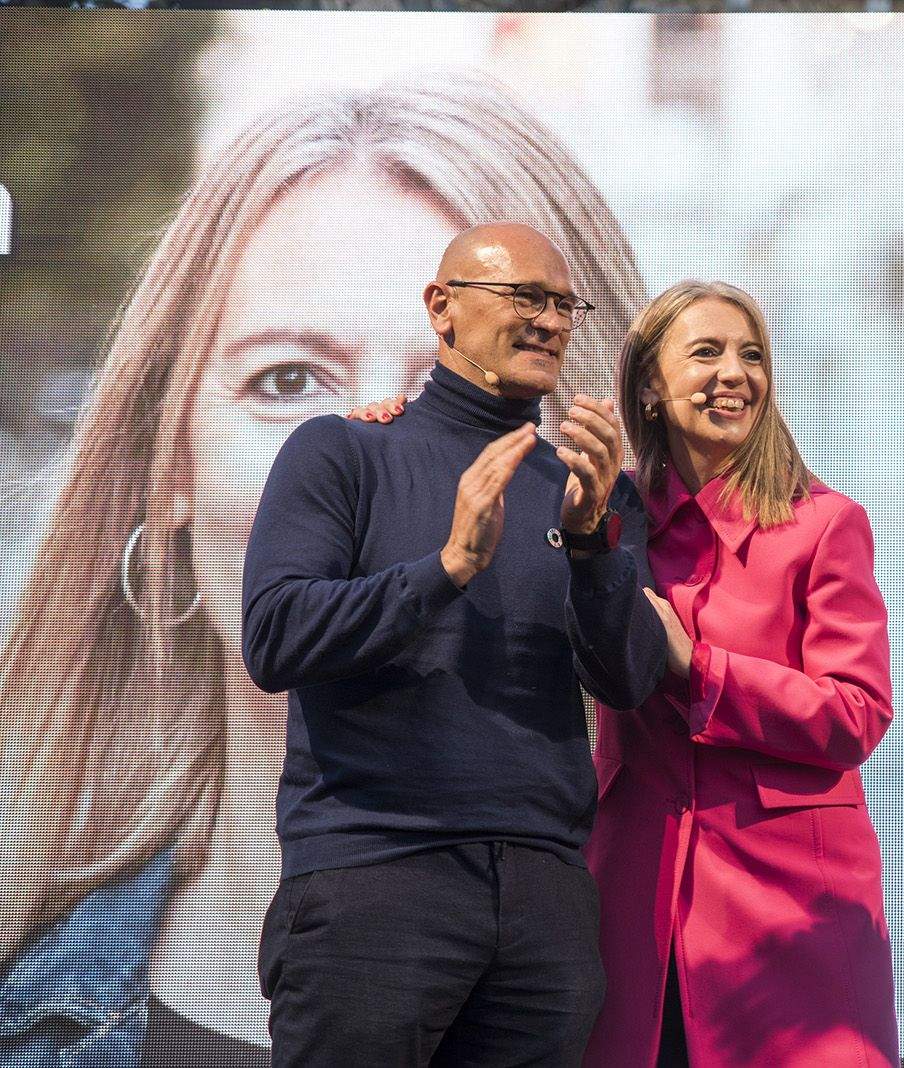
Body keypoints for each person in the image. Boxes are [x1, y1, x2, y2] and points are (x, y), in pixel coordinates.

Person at [0, 75, 647, 1067]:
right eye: (288, 380)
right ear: (168, 466)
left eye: (465, 386)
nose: (382, 463)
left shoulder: (710, 1009)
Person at [348, 279, 899, 1066]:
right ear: (648, 383)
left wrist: (700, 669)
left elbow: (857, 713)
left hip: (792, 909)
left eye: (751, 355)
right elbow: (472, 501)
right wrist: (395, 432)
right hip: (637, 893)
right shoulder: (603, 511)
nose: (734, 373)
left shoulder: (825, 522)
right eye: (705, 352)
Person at [243, 220, 664, 1066]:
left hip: (545, 898)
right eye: (524, 297)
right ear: (442, 307)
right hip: (375, 877)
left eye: (564, 305)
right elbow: (275, 635)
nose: (550, 321)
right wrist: (446, 568)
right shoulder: (345, 450)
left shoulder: (592, 490)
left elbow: (631, 680)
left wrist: (592, 545)